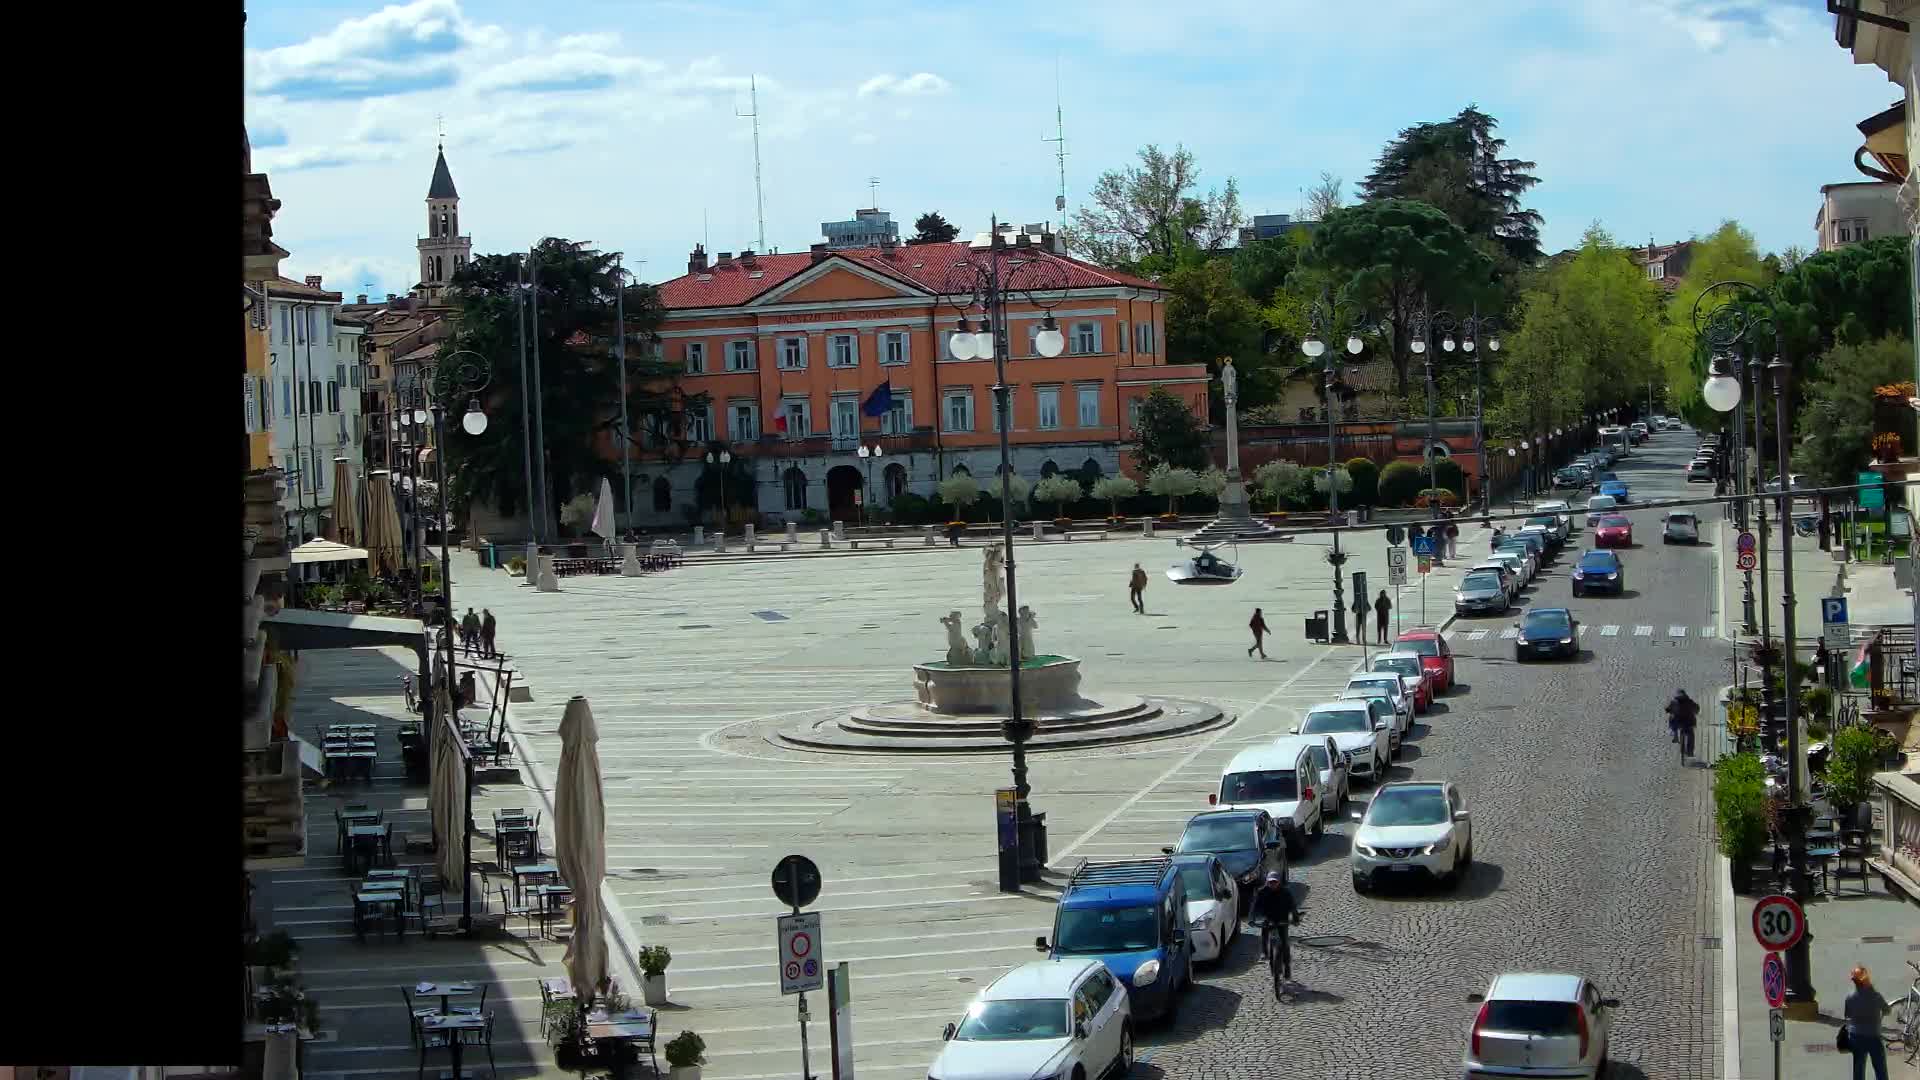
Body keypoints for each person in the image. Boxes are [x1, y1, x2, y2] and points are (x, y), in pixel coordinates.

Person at [1842, 965, 1891, 1079]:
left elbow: (1847, 1015)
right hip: (1874, 1036)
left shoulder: (1849, 997)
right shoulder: (1875, 996)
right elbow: (1887, 1010)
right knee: (1880, 1070)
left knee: (1858, 1070)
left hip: (1856, 1037)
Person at [1250, 872, 1300, 979]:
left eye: (1275, 882)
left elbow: (1292, 906)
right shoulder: (1261, 892)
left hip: (1282, 918)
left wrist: (1295, 919)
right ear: (1267, 882)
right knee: (1264, 932)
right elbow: (1254, 906)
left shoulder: (1285, 892)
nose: (1272, 884)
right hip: (1268, 918)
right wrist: (1252, 918)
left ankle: (1287, 967)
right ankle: (1265, 952)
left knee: (1285, 942)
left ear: (1279, 882)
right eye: (1270, 882)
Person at [1665, 689, 1699, 758]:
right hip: (1689, 721)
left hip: (1678, 721)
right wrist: (1695, 712)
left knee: (1672, 720)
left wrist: (1668, 710)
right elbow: (1696, 708)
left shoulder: (1674, 701)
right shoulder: (1690, 701)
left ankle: (1674, 734)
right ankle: (1690, 752)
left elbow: (1668, 709)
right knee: (1691, 736)